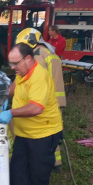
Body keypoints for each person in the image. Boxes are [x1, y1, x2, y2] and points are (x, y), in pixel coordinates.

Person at [0, 43, 63, 185]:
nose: (12, 67)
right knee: (18, 168)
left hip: (43, 133)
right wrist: (5, 97)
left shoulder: (39, 77)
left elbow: (36, 108)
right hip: (24, 133)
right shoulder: (23, 72)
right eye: (10, 63)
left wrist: (10, 112)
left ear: (28, 59)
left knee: (38, 170)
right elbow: (15, 84)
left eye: (15, 63)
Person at [16, 28, 66, 172]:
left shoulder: (37, 55)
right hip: (57, 100)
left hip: (45, 101)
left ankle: (41, 164)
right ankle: (56, 163)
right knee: (52, 131)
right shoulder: (50, 52)